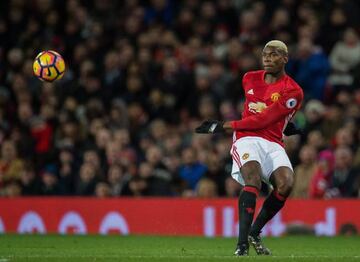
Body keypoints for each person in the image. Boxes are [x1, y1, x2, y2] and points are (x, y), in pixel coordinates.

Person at [195, 40, 303, 256]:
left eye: (274, 54)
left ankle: (255, 231)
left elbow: (265, 118)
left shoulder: (293, 90)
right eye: (265, 54)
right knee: (252, 179)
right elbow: (255, 113)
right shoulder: (249, 78)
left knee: (286, 184)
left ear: (285, 59)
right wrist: (286, 122)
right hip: (247, 138)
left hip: (273, 142)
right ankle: (242, 244)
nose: (267, 58)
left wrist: (223, 125)